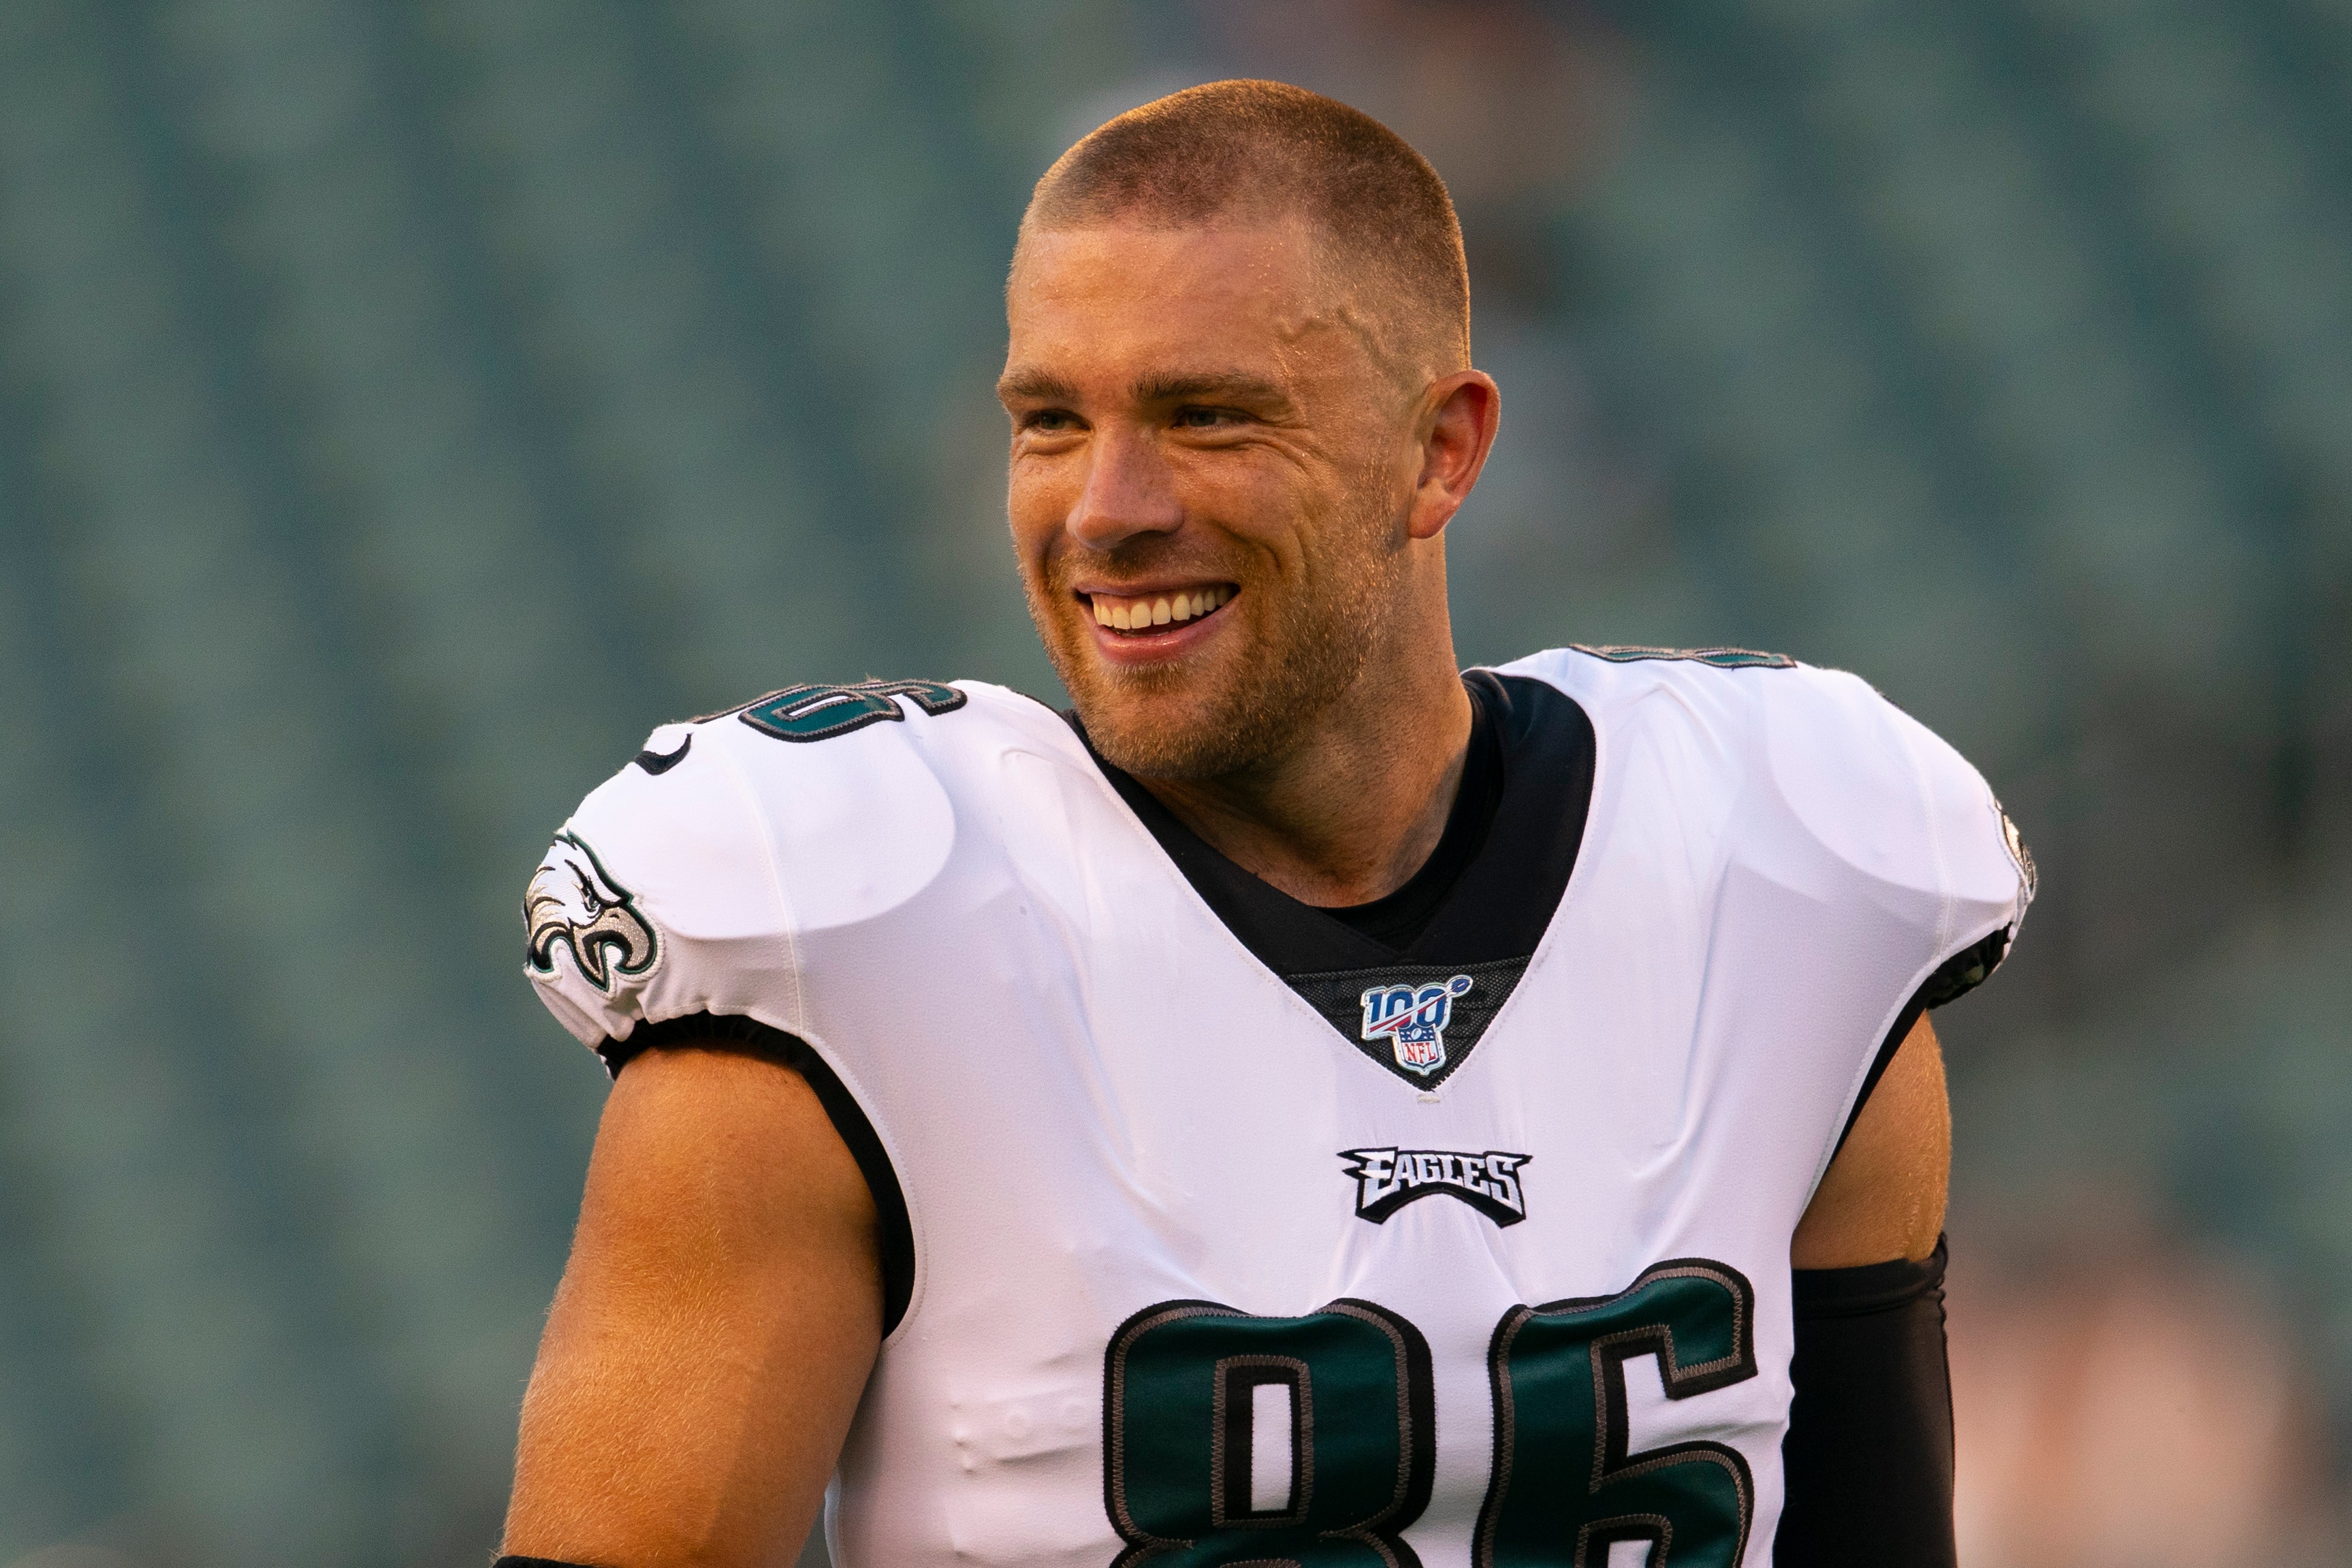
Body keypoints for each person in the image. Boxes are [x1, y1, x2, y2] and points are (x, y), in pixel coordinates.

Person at [498, 80, 2033, 1568]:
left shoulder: (1774, 879)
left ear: (1439, 451)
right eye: (1048, 421)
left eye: (1206, 415)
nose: (1104, 508)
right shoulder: (858, 930)